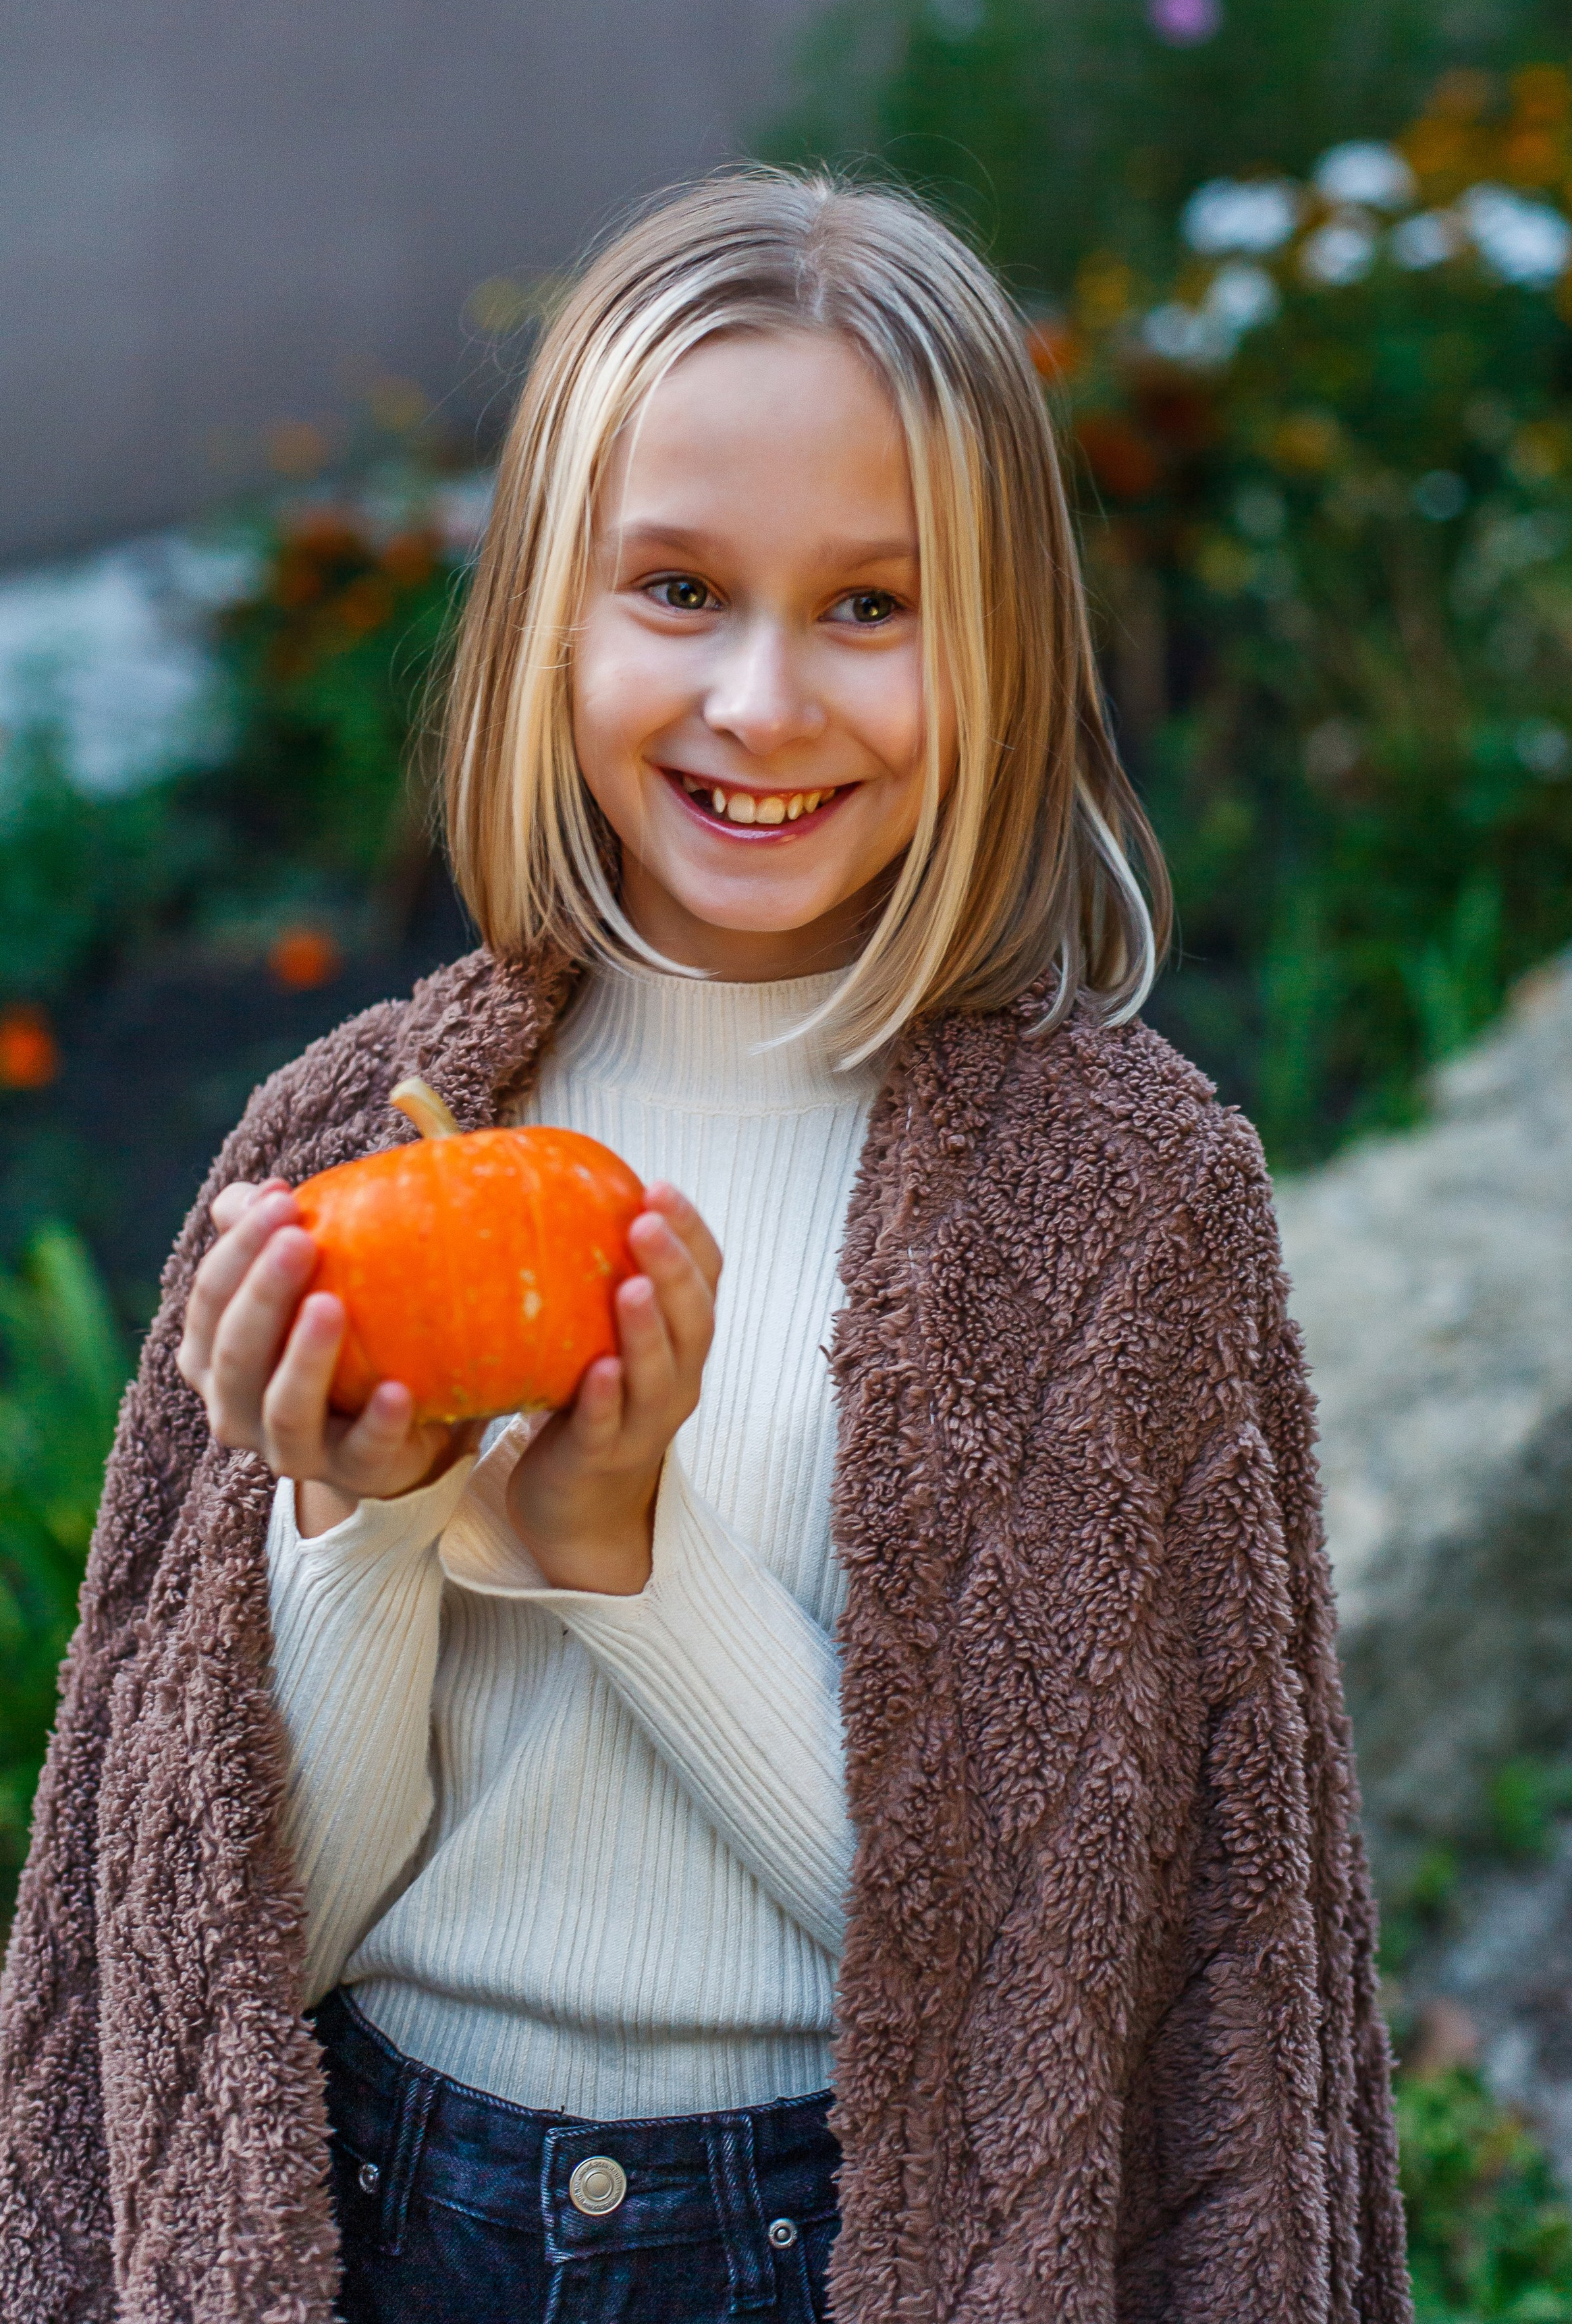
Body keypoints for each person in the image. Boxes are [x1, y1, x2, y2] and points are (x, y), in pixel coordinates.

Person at [0, 171, 1410, 2324]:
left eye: (871, 605)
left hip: (842, 2246)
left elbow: (1028, 2004)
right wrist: (355, 1526)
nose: (761, 702)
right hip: (385, 2227)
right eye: (677, 587)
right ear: (553, 613)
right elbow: (244, 1962)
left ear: (1005, 652)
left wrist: (617, 1551)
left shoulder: (1116, 1206)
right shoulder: (339, 1154)